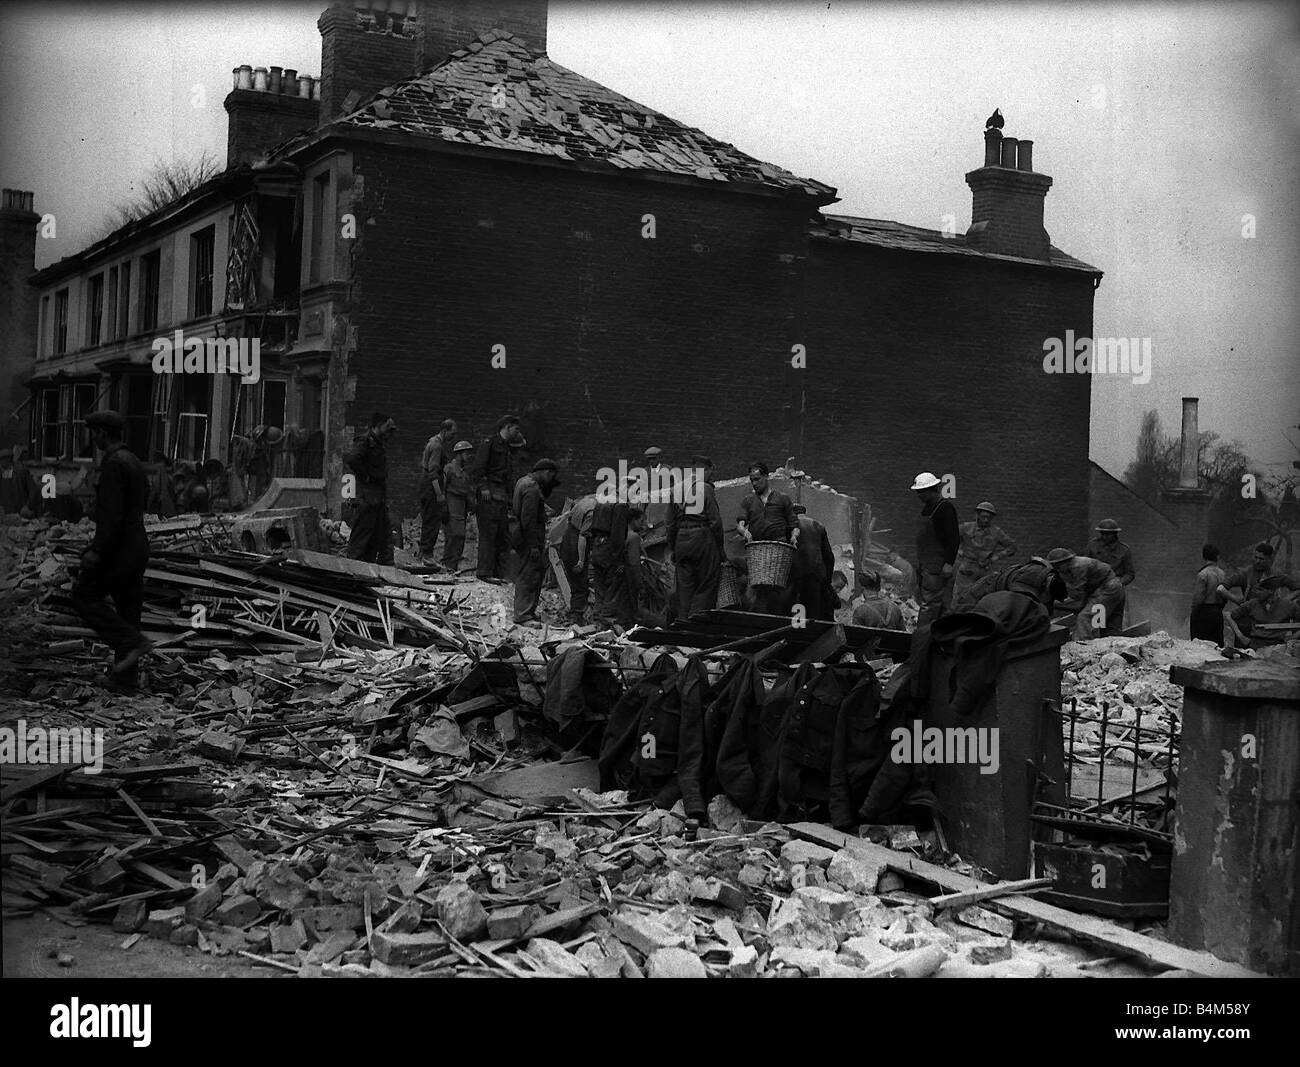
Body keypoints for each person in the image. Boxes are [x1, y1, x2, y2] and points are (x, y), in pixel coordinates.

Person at [71, 412, 152, 691]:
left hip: (119, 549)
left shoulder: (114, 464)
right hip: (137, 546)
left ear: (104, 433)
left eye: (95, 432)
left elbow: (111, 515)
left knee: (84, 596)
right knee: (128, 610)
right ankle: (125, 679)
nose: (93, 438)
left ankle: (131, 642)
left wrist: (96, 551)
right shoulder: (134, 461)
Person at [668, 456, 724, 619]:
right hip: (702, 539)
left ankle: (683, 624)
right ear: (705, 470)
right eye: (711, 474)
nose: (711, 478)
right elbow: (715, 522)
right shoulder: (705, 489)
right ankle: (697, 625)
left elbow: (670, 524)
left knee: (684, 588)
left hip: (681, 540)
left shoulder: (676, 489)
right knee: (707, 583)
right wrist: (720, 549)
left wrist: (673, 548)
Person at [471, 414, 525, 581]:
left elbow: (508, 475)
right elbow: (478, 468)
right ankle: (485, 572)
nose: (518, 432)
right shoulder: (490, 444)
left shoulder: (507, 447)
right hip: (490, 496)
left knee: (503, 536)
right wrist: (484, 488)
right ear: (507, 427)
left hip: (501, 496)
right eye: (516, 429)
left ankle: (498, 573)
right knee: (488, 534)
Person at [344, 413, 397, 565]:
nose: (389, 433)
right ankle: (354, 566)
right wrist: (366, 476)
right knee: (363, 531)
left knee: (381, 534)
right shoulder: (365, 441)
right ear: (377, 426)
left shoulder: (377, 443)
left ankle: (374, 567)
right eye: (387, 428)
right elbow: (353, 459)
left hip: (377, 496)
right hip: (368, 496)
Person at [512, 458, 559, 625]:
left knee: (529, 573)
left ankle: (527, 612)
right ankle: (523, 615)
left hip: (523, 535)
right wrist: (533, 546)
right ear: (547, 472)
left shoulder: (523, 482)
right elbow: (529, 519)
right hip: (530, 538)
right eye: (550, 476)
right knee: (529, 575)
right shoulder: (532, 489)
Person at [911, 471, 959, 630]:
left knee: (930, 606)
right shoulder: (927, 509)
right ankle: (939, 635)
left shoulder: (945, 509)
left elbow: (953, 538)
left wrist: (948, 563)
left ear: (932, 489)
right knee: (935, 605)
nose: (918, 495)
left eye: (920, 491)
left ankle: (921, 638)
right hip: (926, 565)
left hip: (937, 567)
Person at [1046, 547, 1125, 640]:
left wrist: (1053, 603)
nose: (1056, 569)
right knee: (1106, 623)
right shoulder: (1070, 567)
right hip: (1110, 588)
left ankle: (1083, 645)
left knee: (1086, 617)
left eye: (1057, 566)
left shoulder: (1078, 566)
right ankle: (1110, 645)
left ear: (1066, 561)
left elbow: (1077, 599)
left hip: (1107, 589)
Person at [951, 501, 1016, 611]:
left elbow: (1012, 547)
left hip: (985, 569)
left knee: (984, 597)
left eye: (989, 518)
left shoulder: (997, 532)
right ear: (977, 515)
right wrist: (959, 550)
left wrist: (997, 556)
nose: (985, 520)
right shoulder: (966, 528)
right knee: (961, 597)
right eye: (983, 517)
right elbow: (951, 538)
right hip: (967, 568)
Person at [418, 418, 457, 565]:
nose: (454, 437)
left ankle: (423, 553)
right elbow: (433, 471)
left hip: (426, 485)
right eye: (453, 433)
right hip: (431, 487)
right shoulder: (437, 446)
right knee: (432, 520)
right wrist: (439, 494)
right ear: (445, 430)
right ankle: (427, 555)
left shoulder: (433, 442)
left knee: (428, 519)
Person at [1086, 518, 1135, 629]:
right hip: (1097, 588)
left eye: (1108, 534)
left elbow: (1130, 574)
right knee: (1096, 621)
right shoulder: (1093, 546)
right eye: (1102, 533)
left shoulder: (1124, 550)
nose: (1104, 537)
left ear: (1115, 534)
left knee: (1117, 621)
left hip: (1116, 588)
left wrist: (1118, 582)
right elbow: (1086, 567)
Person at [791, 503, 837, 620]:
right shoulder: (818, 525)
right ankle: (814, 632)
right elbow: (829, 556)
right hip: (817, 574)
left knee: (798, 607)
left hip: (797, 575)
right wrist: (827, 580)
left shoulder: (791, 525)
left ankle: (799, 631)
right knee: (815, 609)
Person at [737, 462, 797, 545]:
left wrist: (794, 536)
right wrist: (744, 532)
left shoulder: (782, 498)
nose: (754, 483)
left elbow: (794, 524)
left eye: (757, 479)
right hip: (756, 546)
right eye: (752, 480)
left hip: (779, 545)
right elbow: (740, 525)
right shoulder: (748, 500)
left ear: (766, 476)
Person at [440, 440, 475, 571]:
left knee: (460, 536)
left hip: (461, 505)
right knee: (452, 535)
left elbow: (466, 489)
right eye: (466, 453)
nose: (469, 456)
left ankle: (453, 566)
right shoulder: (449, 468)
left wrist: (471, 503)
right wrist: (443, 505)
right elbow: (443, 486)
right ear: (459, 454)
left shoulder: (464, 472)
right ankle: (447, 565)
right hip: (451, 502)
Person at [1189, 543, 1228, 643]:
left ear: (1204, 556)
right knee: (1217, 644)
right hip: (1218, 612)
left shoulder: (1203, 574)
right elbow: (1225, 595)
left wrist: (1194, 612)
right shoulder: (1222, 574)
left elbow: (1198, 597)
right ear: (1217, 557)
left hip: (1204, 613)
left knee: (1201, 644)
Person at [0, 445, 38, 517]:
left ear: (8, 459)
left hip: (20, 512)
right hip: (5, 514)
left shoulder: (22, 472)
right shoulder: (2, 473)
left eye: (2, 460)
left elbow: (33, 490)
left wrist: (27, 506)